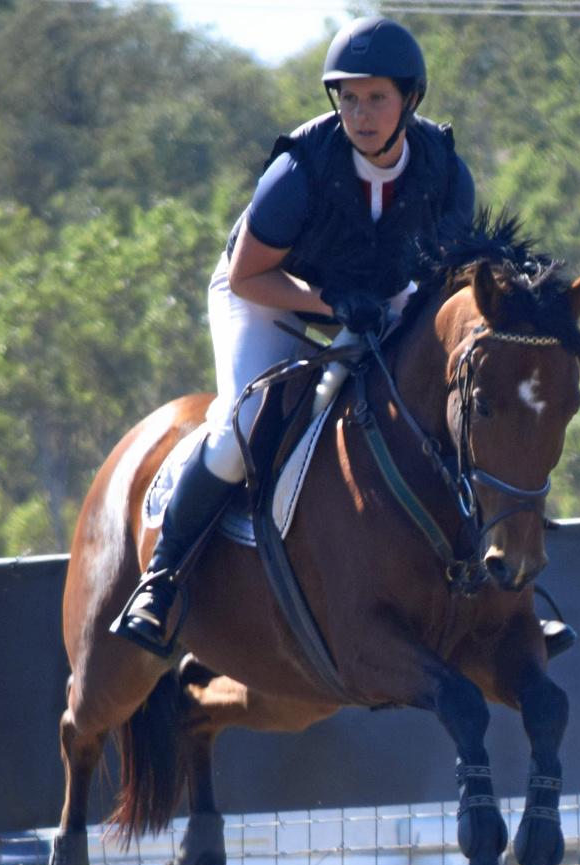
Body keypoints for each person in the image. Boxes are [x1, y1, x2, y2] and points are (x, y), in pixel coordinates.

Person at [112, 16, 478, 656]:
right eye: (348, 98)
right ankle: (161, 579)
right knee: (239, 429)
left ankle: (494, 594)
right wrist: (329, 302)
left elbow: (448, 284)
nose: (360, 114)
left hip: (376, 299)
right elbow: (250, 275)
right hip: (269, 293)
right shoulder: (300, 171)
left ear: (409, 100)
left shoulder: (446, 172)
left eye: (376, 98)